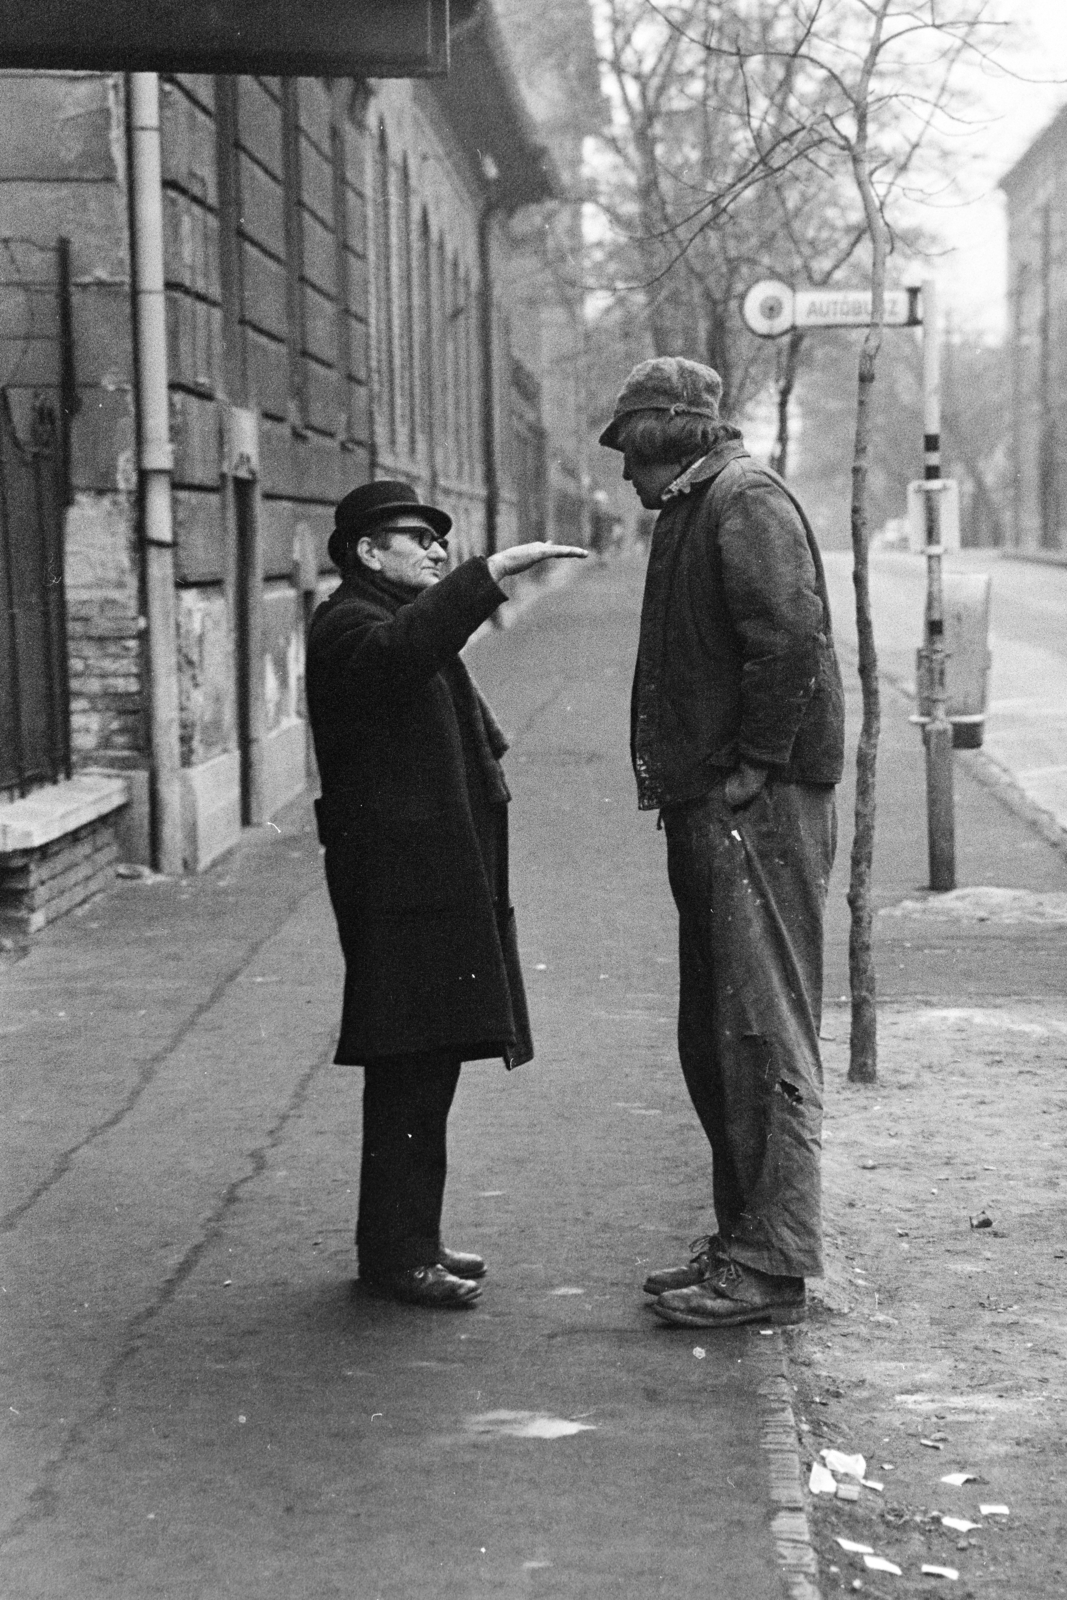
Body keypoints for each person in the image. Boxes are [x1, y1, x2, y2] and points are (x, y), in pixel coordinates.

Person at [600, 357, 845, 1329]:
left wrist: (750, 764)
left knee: (760, 1029)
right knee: (716, 1031)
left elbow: (789, 639)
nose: (621, 471)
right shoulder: (696, 505)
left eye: (627, 448)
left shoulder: (741, 499)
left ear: (664, 436)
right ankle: (743, 1239)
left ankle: (772, 1263)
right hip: (718, 802)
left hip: (757, 807)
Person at [306, 479, 586, 1309]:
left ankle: (409, 1241)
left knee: (427, 1062)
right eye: (416, 539)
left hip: (429, 875)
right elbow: (402, 657)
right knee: (407, 1062)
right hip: (398, 883)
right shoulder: (351, 625)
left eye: (442, 541)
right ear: (366, 552)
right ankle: (396, 1255)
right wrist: (487, 572)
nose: (434, 550)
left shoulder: (386, 620)